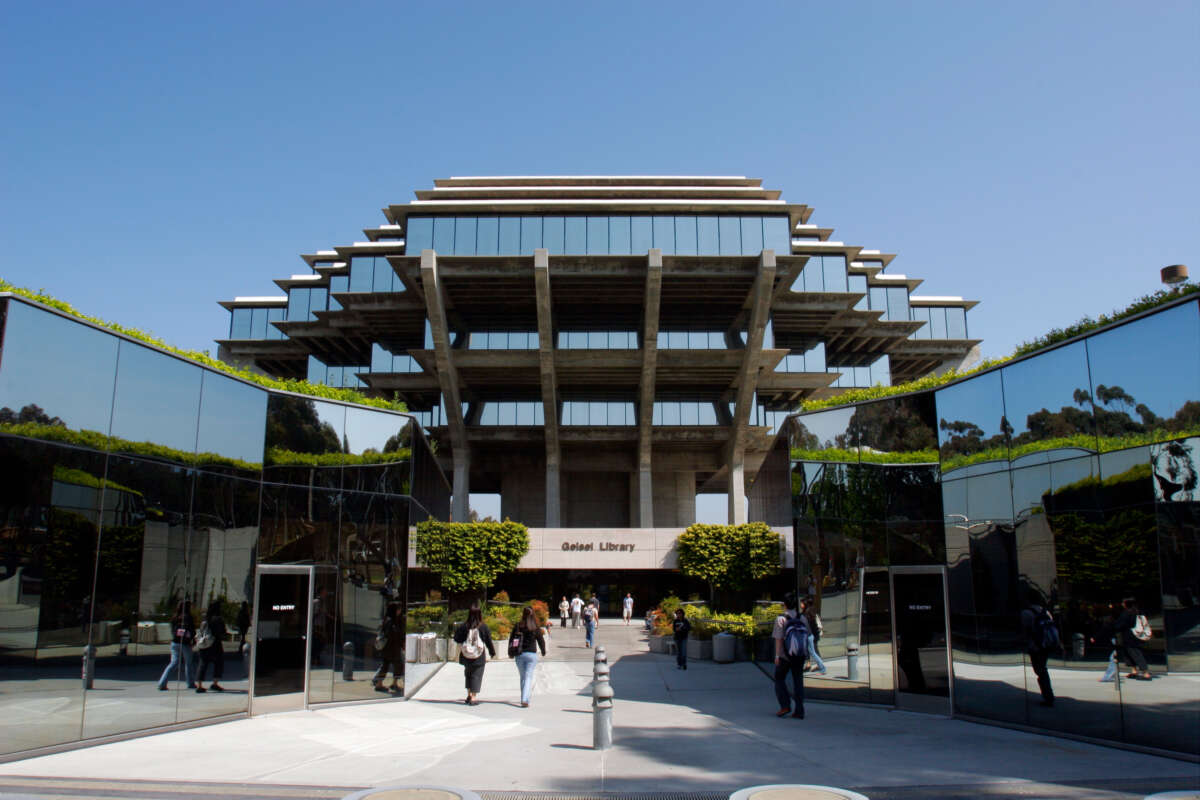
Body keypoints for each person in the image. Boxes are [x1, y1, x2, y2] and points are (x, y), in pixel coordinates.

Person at [453, 602, 495, 705]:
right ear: (479, 614)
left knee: (468, 674)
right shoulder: (483, 627)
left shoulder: (464, 626)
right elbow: (488, 641)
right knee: (477, 675)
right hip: (479, 656)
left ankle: (469, 694)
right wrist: (492, 652)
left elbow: (457, 638)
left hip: (466, 655)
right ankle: (473, 697)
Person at [772, 592, 806, 718]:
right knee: (798, 681)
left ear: (784, 604)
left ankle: (785, 705)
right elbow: (806, 635)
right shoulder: (802, 618)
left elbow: (778, 638)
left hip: (785, 656)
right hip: (799, 655)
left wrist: (777, 655)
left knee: (779, 679)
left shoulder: (781, 619)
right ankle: (800, 710)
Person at [1020, 602, 1059, 706]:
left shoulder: (1026, 613)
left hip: (1035, 646)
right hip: (1046, 644)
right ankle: (1047, 695)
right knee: (1042, 669)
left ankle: (1048, 696)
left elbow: (1026, 631)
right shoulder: (1045, 611)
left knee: (1040, 670)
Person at [157, 600, 196, 691]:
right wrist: (192, 638)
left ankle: (162, 682)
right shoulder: (188, 617)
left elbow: (173, 631)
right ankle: (190, 683)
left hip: (175, 642)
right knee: (188, 663)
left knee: (174, 663)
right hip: (185, 643)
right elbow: (192, 630)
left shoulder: (175, 617)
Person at [513, 606, 546, 707]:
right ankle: (525, 699)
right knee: (528, 677)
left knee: (523, 677)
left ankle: (524, 698)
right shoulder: (535, 627)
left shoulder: (518, 626)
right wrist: (543, 650)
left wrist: (512, 651)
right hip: (531, 655)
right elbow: (541, 640)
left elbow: (513, 639)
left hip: (519, 654)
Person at [1115, 598, 1152, 680]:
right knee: (1130, 654)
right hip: (1136, 635)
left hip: (1129, 636)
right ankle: (1134, 671)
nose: (1122, 604)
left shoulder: (1127, 613)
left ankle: (1145, 673)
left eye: (1123, 602)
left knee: (1135, 653)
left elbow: (1120, 624)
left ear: (1126, 604)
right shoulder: (1137, 611)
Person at [372, 602, 405, 693]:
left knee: (385, 666)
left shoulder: (387, 619)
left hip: (387, 648)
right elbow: (392, 634)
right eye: (398, 609)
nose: (399, 611)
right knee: (397, 665)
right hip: (392, 648)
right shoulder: (391, 621)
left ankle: (380, 683)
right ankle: (393, 683)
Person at [195, 600, 227, 693]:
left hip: (204, 644)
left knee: (203, 664)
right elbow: (222, 632)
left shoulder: (205, 618)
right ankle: (215, 683)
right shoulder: (218, 619)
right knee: (218, 663)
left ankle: (199, 685)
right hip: (215, 644)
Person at [802, 600, 827, 675]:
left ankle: (822, 668)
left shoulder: (808, 613)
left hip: (810, 635)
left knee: (813, 652)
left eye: (802, 603)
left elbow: (813, 625)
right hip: (810, 635)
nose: (801, 604)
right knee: (812, 652)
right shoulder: (808, 612)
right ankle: (814, 666)